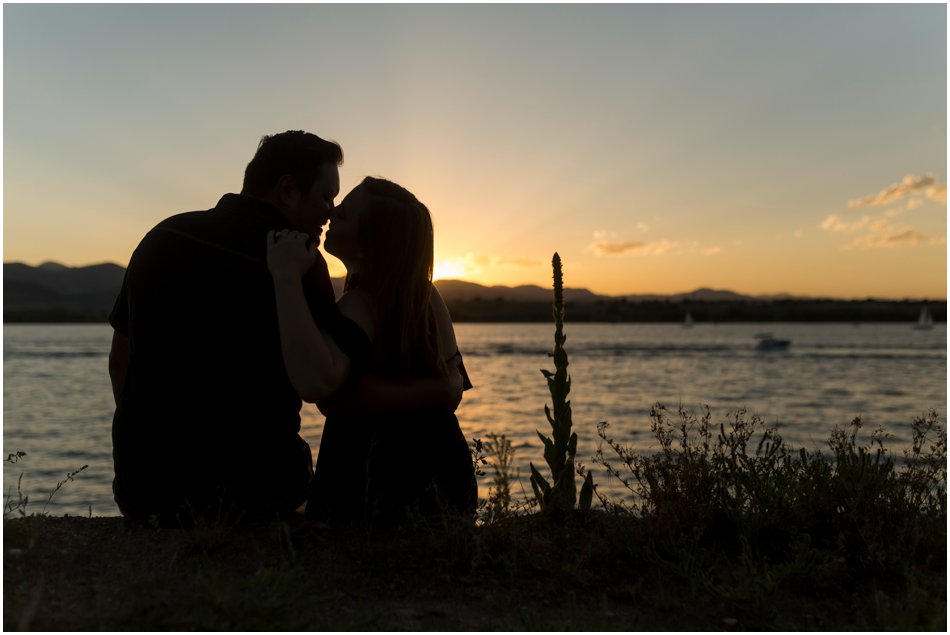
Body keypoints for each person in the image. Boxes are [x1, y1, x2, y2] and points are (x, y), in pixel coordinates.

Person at [108, 132, 462, 526]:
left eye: (340, 207)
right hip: (257, 495)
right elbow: (324, 387)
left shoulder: (160, 237)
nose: (330, 213)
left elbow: (120, 362)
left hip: (143, 492)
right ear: (288, 190)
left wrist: (148, 452)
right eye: (328, 198)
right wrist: (439, 389)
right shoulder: (304, 263)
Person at [267, 177, 477, 526]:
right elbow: (450, 390)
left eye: (345, 214)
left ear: (369, 246)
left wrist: (285, 276)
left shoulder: (359, 305)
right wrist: (435, 390)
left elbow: (317, 384)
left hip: (375, 487)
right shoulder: (427, 297)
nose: (332, 212)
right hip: (447, 478)